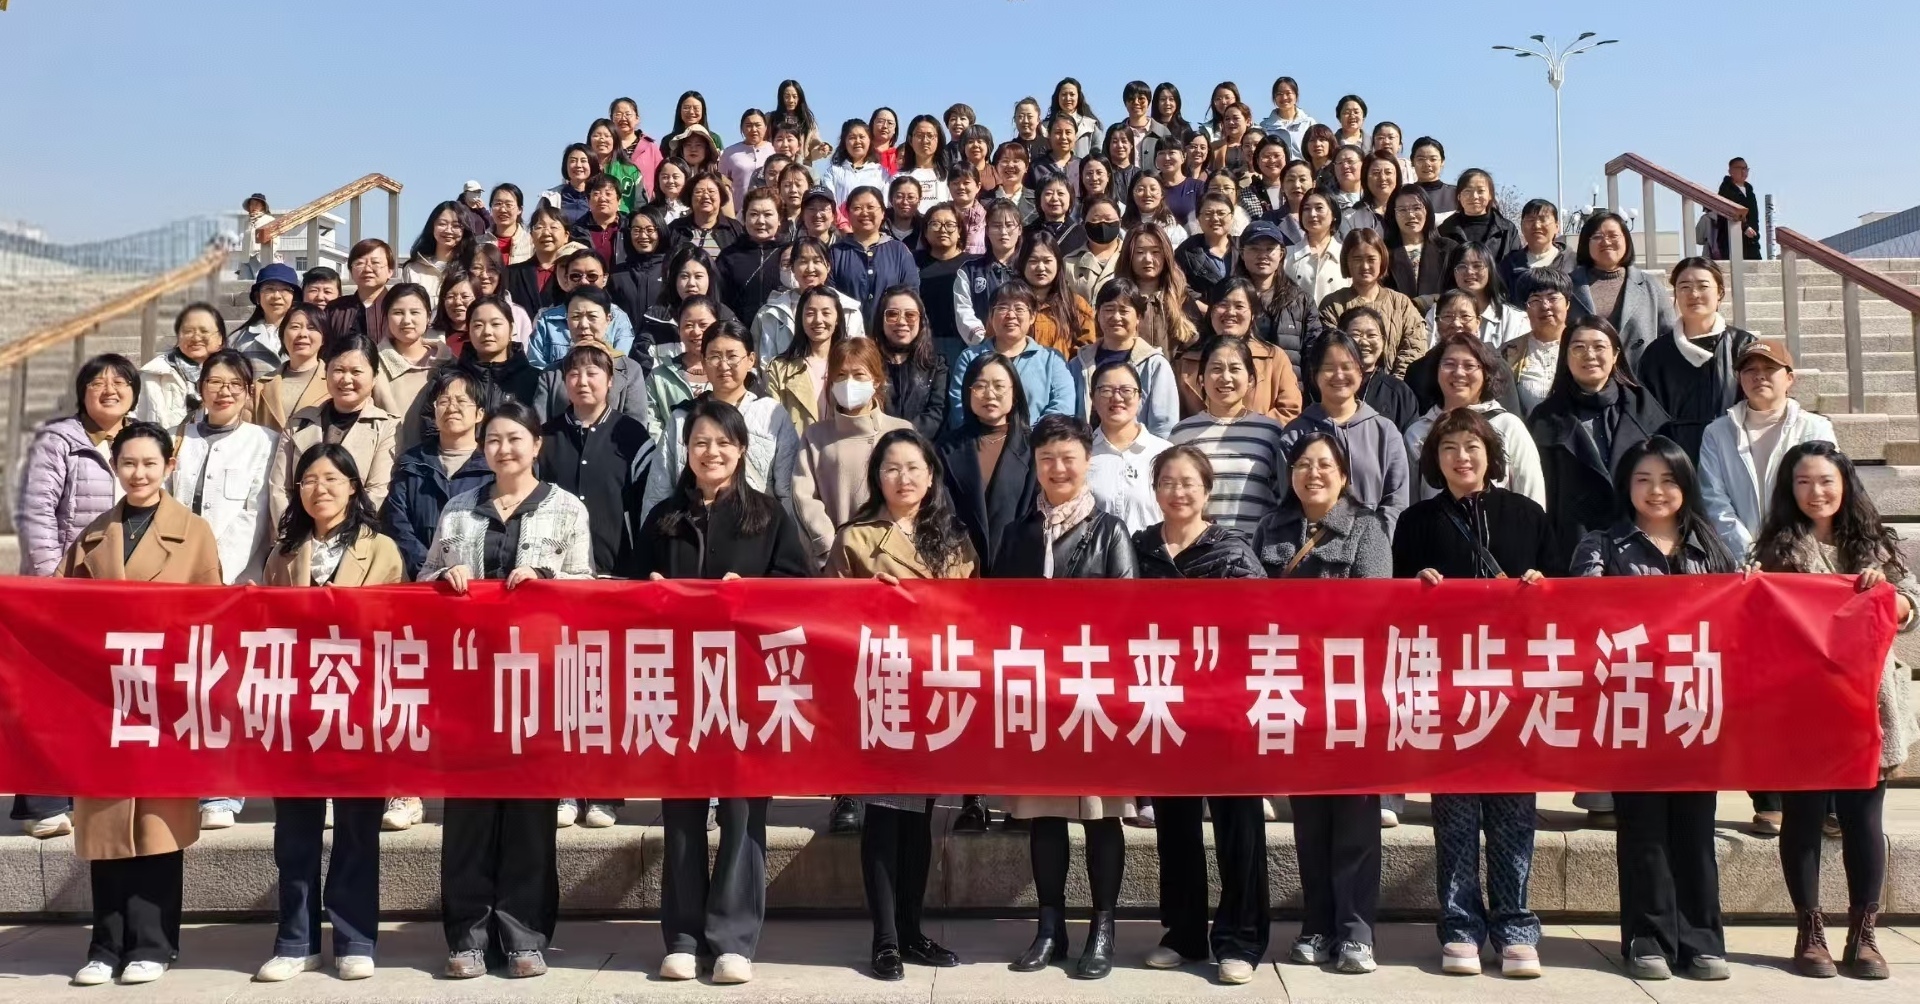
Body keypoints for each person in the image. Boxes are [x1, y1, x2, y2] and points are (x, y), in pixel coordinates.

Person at [634, 397, 810, 986]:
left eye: (723, 442)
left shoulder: (768, 516)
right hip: (678, 682)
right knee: (681, 810)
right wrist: (649, 593)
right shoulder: (663, 518)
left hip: (745, 685)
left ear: (742, 450)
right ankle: (683, 937)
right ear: (686, 450)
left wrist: (752, 592)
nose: (712, 452)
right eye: (701, 442)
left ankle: (733, 939)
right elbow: (629, 592)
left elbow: (799, 589)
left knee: (741, 811)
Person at [422, 405, 588, 982]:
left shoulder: (567, 508)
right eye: (492, 439)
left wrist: (547, 581)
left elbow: (587, 588)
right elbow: (423, 578)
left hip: (536, 682)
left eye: (515, 438)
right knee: (468, 815)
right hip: (468, 684)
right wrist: (442, 580)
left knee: (529, 814)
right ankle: (467, 935)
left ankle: (524, 934)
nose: (503, 448)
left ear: (537, 444)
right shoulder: (458, 508)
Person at [1392, 407, 1559, 979]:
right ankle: (1460, 926)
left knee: (1514, 814)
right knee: (1455, 816)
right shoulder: (1416, 522)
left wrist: (1541, 586)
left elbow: (1564, 598)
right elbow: (1394, 605)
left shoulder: (1528, 516)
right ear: (1434, 460)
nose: (1461, 457)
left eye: (1471, 446)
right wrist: (1416, 587)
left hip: (1516, 689)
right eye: (1449, 448)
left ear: (1491, 454)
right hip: (1447, 688)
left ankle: (1516, 926)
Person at [58, 422, 220, 987]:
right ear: (115, 466)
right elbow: (60, 611)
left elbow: (210, 617)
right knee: (105, 828)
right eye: (128, 463)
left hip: (162, 698)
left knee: (157, 825)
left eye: (150, 463)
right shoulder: (93, 535)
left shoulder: (194, 532)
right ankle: (105, 945)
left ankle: (153, 943)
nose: (139, 473)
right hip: (104, 698)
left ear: (169, 466)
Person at [1569, 436, 1736, 983]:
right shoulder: (1601, 546)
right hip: (1632, 705)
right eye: (1643, 479)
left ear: (1685, 485)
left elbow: (1735, 623)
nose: (1656, 491)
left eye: (1668, 480)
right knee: (1642, 827)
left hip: (1694, 705)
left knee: (1695, 828)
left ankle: (1702, 937)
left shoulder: (1710, 550)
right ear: (1626, 486)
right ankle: (1648, 937)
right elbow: (1583, 614)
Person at [1753, 441, 1915, 982]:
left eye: (1825, 480)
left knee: (1863, 819)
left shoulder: (1876, 545)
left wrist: (1891, 597)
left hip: (1869, 700)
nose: (1815, 492)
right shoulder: (1775, 549)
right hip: (1802, 701)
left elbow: (1910, 602)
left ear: (1845, 483)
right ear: (1788, 489)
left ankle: (1864, 931)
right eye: (1802, 482)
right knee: (1802, 816)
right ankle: (1810, 929)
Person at [253, 443, 403, 984]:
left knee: (358, 828)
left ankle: (355, 938)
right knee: (295, 831)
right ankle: (295, 941)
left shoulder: (380, 549)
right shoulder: (284, 553)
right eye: (309, 480)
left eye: (332, 479)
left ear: (354, 487)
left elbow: (394, 624)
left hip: (357, 704)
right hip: (296, 707)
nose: (321, 489)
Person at [995, 415, 1137, 981]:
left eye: (1068, 457)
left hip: (1094, 692)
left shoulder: (1111, 531)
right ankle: (1049, 927)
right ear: (1035, 465)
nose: (1058, 468)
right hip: (1038, 692)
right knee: (1044, 816)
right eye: (1047, 458)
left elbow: (1126, 614)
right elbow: (998, 614)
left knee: (1102, 818)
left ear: (1087, 462)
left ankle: (1103, 929)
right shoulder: (1019, 534)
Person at [827, 429, 972, 980]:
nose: (903, 478)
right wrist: (867, 601)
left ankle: (912, 930)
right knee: (884, 818)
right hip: (880, 690)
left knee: (920, 820)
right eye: (891, 468)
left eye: (914, 467)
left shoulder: (954, 540)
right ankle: (885, 939)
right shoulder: (856, 538)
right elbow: (828, 617)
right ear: (876, 478)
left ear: (931, 476)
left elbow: (971, 614)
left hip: (934, 691)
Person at [1249, 432, 1391, 973]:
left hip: (1350, 690)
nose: (1314, 474)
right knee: (1309, 819)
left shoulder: (1367, 529)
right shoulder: (1271, 528)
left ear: (1344, 475)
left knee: (1355, 814)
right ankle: (1316, 924)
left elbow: (1374, 608)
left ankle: (1356, 931)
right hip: (1292, 689)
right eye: (1303, 465)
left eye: (1325, 465)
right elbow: (1255, 604)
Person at [1131, 445, 1268, 984]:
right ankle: (1183, 933)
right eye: (1167, 481)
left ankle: (1242, 939)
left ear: (1207, 490)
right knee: (1175, 825)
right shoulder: (1139, 549)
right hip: (1165, 703)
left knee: (1238, 825)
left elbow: (1261, 622)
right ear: (1154, 489)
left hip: (1226, 707)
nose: (1178, 492)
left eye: (1188, 482)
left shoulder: (1232, 551)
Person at [1527, 316, 1672, 571]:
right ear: (1565, 356)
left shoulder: (1646, 410)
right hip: (1571, 548)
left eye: (1599, 346)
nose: (1589, 355)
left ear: (1615, 354)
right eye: (1578, 347)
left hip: (1639, 548)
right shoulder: (1544, 418)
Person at [642, 322, 797, 522]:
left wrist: (784, 535)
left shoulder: (773, 415)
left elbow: (787, 491)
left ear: (751, 360)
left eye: (732, 356)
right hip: (693, 529)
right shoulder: (683, 417)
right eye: (714, 357)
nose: (723, 366)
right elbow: (659, 488)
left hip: (757, 528)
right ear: (703, 362)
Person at [1699, 340, 1834, 564]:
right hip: (1740, 562)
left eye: (1770, 368)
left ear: (1790, 378)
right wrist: (1748, 553)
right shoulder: (1717, 432)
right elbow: (1713, 498)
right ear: (1739, 378)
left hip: (1803, 557)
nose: (1759, 376)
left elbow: (1827, 491)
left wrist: (1791, 550)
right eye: (1750, 370)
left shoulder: (1815, 428)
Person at [791, 336, 912, 560]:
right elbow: (804, 497)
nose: (849, 383)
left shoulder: (900, 431)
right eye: (841, 375)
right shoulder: (815, 436)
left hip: (891, 558)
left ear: (876, 380)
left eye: (858, 375)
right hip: (834, 560)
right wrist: (829, 547)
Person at [537, 341, 653, 575]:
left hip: (617, 569)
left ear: (610, 380)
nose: (582, 382)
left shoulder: (632, 435)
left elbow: (647, 502)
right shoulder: (544, 437)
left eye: (592, 373)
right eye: (573, 374)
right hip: (556, 572)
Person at [1278, 329, 1411, 531]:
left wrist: (1374, 541)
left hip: (1373, 544)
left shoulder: (1385, 432)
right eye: (1329, 368)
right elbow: (1288, 501)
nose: (1339, 375)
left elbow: (1396, 502)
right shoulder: (1294, 434)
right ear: (1314, 374)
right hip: (1311, 545)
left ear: (1360, 371)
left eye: (1347, 367)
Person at [265, 333, 400, 526]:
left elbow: (377, 491)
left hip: (354, 532)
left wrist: (337, 534)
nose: (346, 379)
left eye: (356, 372)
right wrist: (291, 534)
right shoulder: (299, 422)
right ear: (326, 372)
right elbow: (279, 488)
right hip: (298, 533)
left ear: (374, 377)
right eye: (338, 370)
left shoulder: (386, 427)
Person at [168, 348, 275, 587]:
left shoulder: (265, 442)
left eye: (235, 384)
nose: (225, 392)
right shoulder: (174, 438)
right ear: (201, 388)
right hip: (174, 567)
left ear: (248, 392)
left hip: (234, 577)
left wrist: (215, 569)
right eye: (215, 382)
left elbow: (255, 513)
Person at [1636, 257, 1758, 461]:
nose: (1693, 294)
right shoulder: (1657, 353)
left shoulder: (1742, 345)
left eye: (1703, 286)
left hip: (1734, 456)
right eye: (1684, 287)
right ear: (1675, 294)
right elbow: (1646, 417)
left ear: (1720, 293)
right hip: (1675, 461)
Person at [1404, 334, 1544, 505]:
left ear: (1486, 373)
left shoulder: (1508, 426)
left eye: (1469, 365)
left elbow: (1531, 495)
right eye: (1449, 364)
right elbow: (1409, 501)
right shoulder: (1418, 433)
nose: (1458, 373)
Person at [1169, 336, 1288, 534]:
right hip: (1201, 546)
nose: (1225, 377)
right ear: (1201, 379)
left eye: (1234, 369)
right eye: (1216, 369)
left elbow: (1282, 497)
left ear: (1250, 379)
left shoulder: (1271, 432)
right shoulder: (1181, 434)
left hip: (1254, 546)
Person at [385, 366, 494, 580]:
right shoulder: (411, 464)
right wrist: (431, 571)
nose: (452, 408)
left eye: (461, 401)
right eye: (444, 401)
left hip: (478, 582)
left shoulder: (492, 466)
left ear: (479, 413)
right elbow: (397, 524)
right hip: (422, 581)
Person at [941, 352, 1037, 575]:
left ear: (1014, 393)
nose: (989, 394)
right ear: (968, 393)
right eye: (980, 386)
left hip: (1019, 569)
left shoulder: (1034, 447)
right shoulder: (947, 448)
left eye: (999, 386)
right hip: (962, 569)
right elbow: (943, 512)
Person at [947, 281, 1076, 430]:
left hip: (1037, 441)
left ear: (1033, 316)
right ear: (991, 315)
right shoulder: (970, 357)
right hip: (980, 440)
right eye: (1002, 308)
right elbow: (959, 405)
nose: (1011, 315)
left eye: (1019, 309)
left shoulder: (1051, 359)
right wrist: (992, 436)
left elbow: (1063, 405)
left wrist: (1030, 437)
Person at [1569, 209, 1677, 365]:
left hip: (1639, 375)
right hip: (1585, 372)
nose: (1606, 242)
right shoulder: (1568, 286)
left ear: (1626, 240)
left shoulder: (1650, 286)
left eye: (1613, 236)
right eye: (1597, 236)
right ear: (1586, 243)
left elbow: (1669, 336)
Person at [1316, 229, 1427, 379]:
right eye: (1357, 259)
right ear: (1346, 261)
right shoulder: (1333, 304)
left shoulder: (1401, 304)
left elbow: (1414, 349)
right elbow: (1330, 349)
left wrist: (1393, 385)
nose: (1365, 266)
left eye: (1371, 259)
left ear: (1382, 260)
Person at [1074, 278, 1177, 437]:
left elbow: (1164, 425)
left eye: (1124, 311)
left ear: (1138, 317)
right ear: (1098, 314)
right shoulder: (1079, 363)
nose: (1116, 317)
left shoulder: (1155, 364)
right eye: (1109, 309)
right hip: (1087, 448)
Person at [1084, 356, 1172, 533]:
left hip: (1152, 550)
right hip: (1096, 550)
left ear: (1140, 397)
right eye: (1106, 390)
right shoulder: (1083, 454)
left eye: (1126, 390)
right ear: (1092, 398)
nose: (1117, 397)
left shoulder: (1165, 453)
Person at [754, 237, 865, 360]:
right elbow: (764, 361)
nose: (810, 269)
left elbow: (858, 358)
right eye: (803, 262)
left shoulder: (848, 309)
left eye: (817, 261)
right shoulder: (771, 312)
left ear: (828, 266)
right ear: (792, 268)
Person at [373, 282, 452, 453]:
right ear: (386, 317)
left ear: (428, 316)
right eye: (398, 313)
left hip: (440, 460)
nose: (406, 320)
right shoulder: (373, 365)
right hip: (389, 460)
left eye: (415, 312)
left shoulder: (449, 362)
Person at [830, 186, 919, 327]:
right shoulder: (835, 252)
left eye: (871, 207)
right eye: (857, 208)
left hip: (891, 332)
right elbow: (829, 297)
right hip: (847, 333)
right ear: (848, 213)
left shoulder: (899, 251)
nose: (864, 213)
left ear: (883, 212)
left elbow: (911, 294)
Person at [134, 302, 225, 434]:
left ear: (220, 338)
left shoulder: (235, 375)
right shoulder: (154, 374)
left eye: (204, 331)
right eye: (187, 331)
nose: (196, 337)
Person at [875, 288, 949, 439]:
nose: (901, 322)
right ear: (881, 320)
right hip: (876, 445)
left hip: (922, 446)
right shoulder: (868, 363)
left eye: (910, 315)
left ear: (921, 321)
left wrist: (905, 436)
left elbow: (937, 412)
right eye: (892, 314)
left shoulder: (936, 366)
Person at [1113, 222, 1197, 353]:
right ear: (1129, 256)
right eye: (1140, 252)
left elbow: (1195, 347)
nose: (1148, 259)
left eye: (1155, 252)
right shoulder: (1115, 298)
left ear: (1166, 255)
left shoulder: (1182, 299)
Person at [952, 200, 1026, 347]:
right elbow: (964, 312)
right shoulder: (970, 270)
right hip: (983, 349)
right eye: (996, 226)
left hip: (1024, 346)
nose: (1003, 232)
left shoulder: (1028, 267)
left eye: (1009, 225)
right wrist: (986, 342)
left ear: (1019, 230)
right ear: (986, 230)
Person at [249, 304, 329, 434]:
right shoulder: (260, 386)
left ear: (324, 338)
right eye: (295, 327)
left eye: (312, 328)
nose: (303, 334)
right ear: (282, 334)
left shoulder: (334, 382)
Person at [1426, 243, 1525, 348]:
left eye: (1477, 266)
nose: (1469, 271)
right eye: (1462, 266)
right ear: (1453, 272)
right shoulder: (1436, 312)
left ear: (1490, 270)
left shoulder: (1514, 319)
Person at [717, 188, 789, 322]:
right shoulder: (729, 256)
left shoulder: (789, 253)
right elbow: (719, 300)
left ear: (779, 219)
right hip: (738, 331)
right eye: (754, 214)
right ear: (744, 218)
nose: (761, 221)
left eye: (768, 214)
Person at [1019, 230, 1095, 357]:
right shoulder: (1009, 303)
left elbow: (1087, 348)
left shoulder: (1075, 304)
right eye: (1033, 261)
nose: (1041, 267)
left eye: (1047, 261)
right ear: (1022, 264)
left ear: (1058, 263)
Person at [457, 296, 541, 409]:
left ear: (511, 329)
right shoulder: (452, 377)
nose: (487, 332)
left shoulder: (535, 379)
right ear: (468, 331)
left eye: (495, 324)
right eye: (478, 325)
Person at [1381, 186, 1458, 307]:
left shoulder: (1449, 248)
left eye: (1417, 208)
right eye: (1402, 210)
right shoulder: (1382, 251)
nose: (1411, 215)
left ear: (1427, 210)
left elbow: (1458, 291)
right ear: (1393, 214)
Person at [913, 203, 970, 359]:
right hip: (921, 340)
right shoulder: (911, 261)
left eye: (950, 224)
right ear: (925, 231)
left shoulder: (972, 265)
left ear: (959, 231)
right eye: (935, 224)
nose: (943, 229)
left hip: (963, 342)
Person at [229, 263, 299, 376]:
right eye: (269, 289)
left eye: (285, 290)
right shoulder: (237, 340)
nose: (276, 296)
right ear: (257, 297)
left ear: (294, 297)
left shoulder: (306, 335)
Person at [399, 201, 475, 305]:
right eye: (442, 224)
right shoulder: (413, 269)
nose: (448, 230)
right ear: (432, 226)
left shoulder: (471, 268)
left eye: (456, 226)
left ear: (464, 230)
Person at [1437, 169, 1519, 264]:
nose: (1474, 196)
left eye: (1480, 191)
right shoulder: (1445, 229)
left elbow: (1516, 266)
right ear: (1459, 196)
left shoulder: (1507, 230)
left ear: (1490, 195)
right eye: (1468, 191)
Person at [323, 238, 396, 344]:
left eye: (375, 263)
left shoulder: (398, 307)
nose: (367, 269)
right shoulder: (335, 309)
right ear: (351, 271)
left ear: (390, 271)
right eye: (360, 263)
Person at [1284, 190, 1347, 307]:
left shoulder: (1346, 255)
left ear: (1334, 215)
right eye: (1306, 209)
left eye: (1319, 208)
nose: (1312, 214)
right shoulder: (1287, 254)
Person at [507, 204, 573, 314]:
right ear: (531, 235)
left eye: (554, 227)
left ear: (566, 236)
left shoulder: (575, 275)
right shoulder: (511, 274)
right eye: (539, 227)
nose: (546, 233)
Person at [612, 207, 672, 326]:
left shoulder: (672, 270)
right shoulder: (617, 274)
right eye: (636, 230)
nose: (643, 236)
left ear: (660, 232)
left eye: (650, 230)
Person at [1499, 198, 1571, 296]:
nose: (1537, 225)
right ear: (1522, 226)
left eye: (1543, 219)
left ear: (1556, 227)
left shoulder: (1571, 261)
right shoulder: (1509, 264)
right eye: (1530, 220)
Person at [663, 172, 743, 258]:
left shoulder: (734, 228)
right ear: (690, 197)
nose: (706, 196)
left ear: (721, 197)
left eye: (711, 191)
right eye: (699, 192)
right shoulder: (675, 229)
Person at [1064, 195, 1124, 303]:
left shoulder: (1131, 255)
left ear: (1120, 222)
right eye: (1095, 219)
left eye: (1108, 219)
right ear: (1084, 224)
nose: (1102, 223)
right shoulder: (1069, 263)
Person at [824, 118, 888, 207]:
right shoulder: (833, 172)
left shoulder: (882, 173)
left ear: (870, 140)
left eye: (862, 137)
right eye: (852, 138)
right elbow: (829, 204)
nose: (857, 141)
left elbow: (885, 204)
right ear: (844, 142)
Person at [720, 109, 774, 215]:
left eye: (758, 125)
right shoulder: (730, 152)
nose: (753, 129)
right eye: (748, 125)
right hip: (738, 212)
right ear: (742, 128)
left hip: (770, 210)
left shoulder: (773, 149)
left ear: (766, 127)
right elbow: (722, 183)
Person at [1122, 172, 1187, 246]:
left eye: (1153, 189)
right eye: (1140, 189)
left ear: (1162, 194)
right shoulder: (1123, 227)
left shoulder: (1173, 227)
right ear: (1132, 194)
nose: (1147, 194)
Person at [1717, 158, 1762, 263]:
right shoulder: (1725, 189)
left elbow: (1754, 217)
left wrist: (1755, 234)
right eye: (1740, 168)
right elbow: (1728, 212)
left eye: (1746, 168)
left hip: (1752, 241)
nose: (1744, 171)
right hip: (1732, 240)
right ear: (1730, 171)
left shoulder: (1749, 190)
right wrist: (1744, 227)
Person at [1257, 76, 1313, 157]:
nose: (1284, 97)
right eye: (1279, 94)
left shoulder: (1309, 123)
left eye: (1288, 93)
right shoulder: (1264, 126)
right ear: (1274, 97)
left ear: (1296, 95)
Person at [485, 183, 533, 264]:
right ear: (491, 208)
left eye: (509, 205)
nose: (503, 210)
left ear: (520, 209)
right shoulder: (479, 243)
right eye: (498, 204)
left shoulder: (531, 243)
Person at [239, 192, 277, 278]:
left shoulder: (269, 220)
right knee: (244, 283)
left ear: (262, 206)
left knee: (259, 281)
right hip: (246, 258)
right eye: (251, 204)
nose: (254, 206)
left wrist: (266, 256)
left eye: (257, 204)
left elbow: (275, 241)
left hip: (260, 258)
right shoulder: (247, 221)